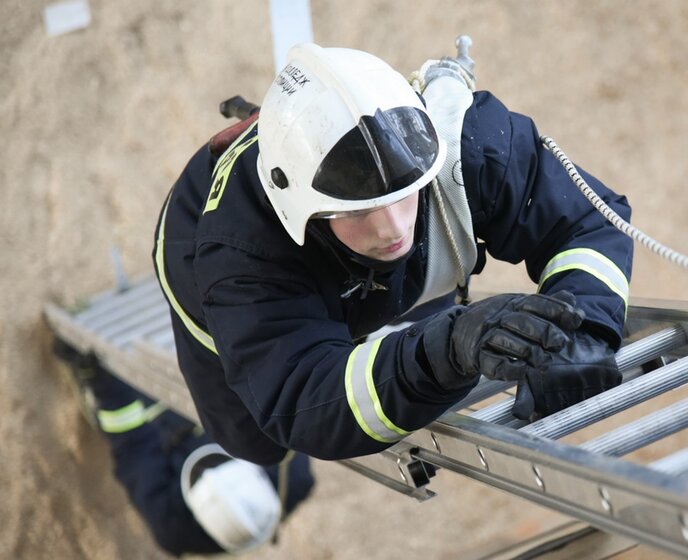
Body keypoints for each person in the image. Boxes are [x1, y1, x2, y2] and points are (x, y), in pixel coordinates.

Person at [153, 41, 633, 466]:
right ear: (301, 208)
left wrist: (584, 327)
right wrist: (443, 350)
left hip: (351, 261)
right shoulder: (241, 255)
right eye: (358, 210)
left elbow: (588, 222)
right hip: (201, 262)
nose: (393, 228)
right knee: (259, 445)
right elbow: (297, 398)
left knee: (424, 304)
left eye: (405, 191)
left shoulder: (466, 143)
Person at [53, 340, 315, 557]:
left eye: (202, 469)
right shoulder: (291, 478)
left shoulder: (171, 525)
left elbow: (133, 445)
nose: (209, 464)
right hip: (217, 411)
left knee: (113, 394)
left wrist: (100, 381)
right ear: (257, 473)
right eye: (218, 461)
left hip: (158, 430)